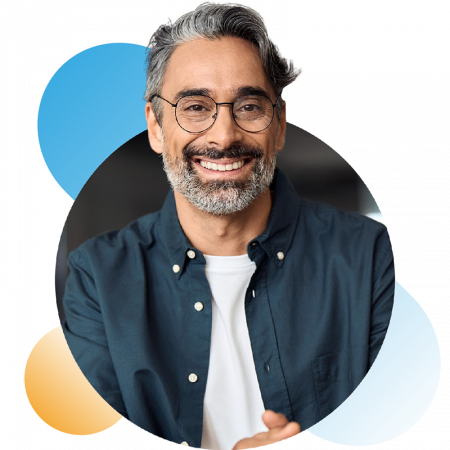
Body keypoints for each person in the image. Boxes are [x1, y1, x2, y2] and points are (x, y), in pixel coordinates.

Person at [61, 2, 395, 449]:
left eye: (250, 106)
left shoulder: (370, 258)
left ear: (278, 125)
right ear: (156, 127)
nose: (223, 136)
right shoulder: (97, 277)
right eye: (195, 107)